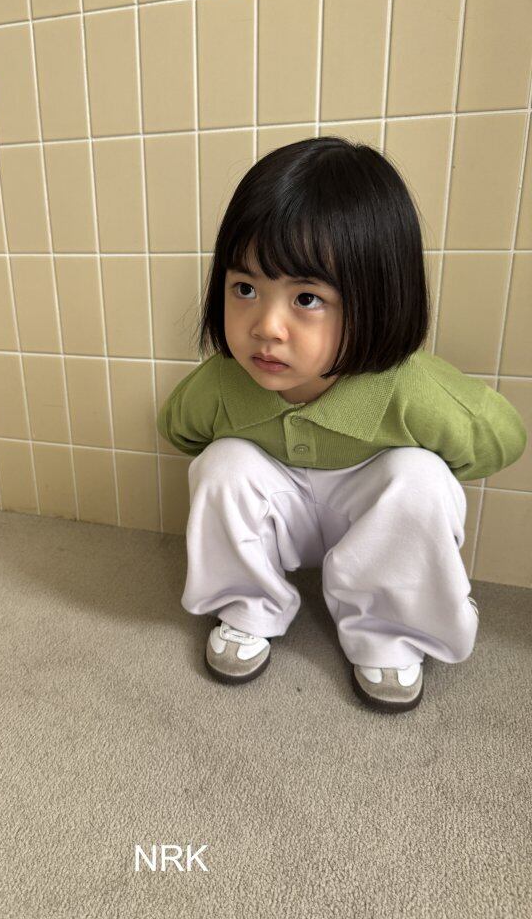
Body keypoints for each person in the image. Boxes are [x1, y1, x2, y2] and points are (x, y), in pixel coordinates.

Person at [156, 136, 527, 714]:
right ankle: (248, 605)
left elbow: (500, 440)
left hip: (375, 523)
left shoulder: (409, 388)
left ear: (377, 299)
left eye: (307, 298)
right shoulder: (223, 384)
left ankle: (389, 630)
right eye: (245, 288)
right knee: (222, 464)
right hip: (286, 520)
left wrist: (426, 485)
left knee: (421, 477)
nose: (266, 327)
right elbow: (180, 430)